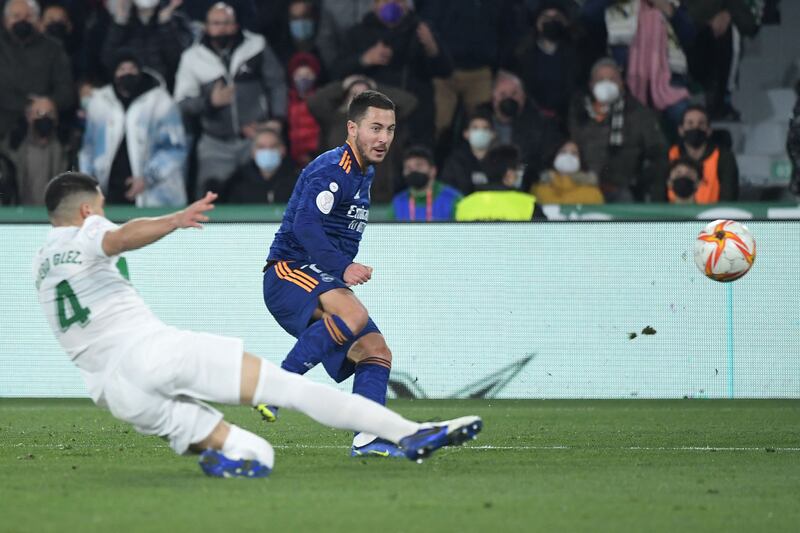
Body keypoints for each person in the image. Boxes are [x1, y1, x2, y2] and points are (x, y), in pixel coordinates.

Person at [33, 171, 483, 477]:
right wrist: (175, 219)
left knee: (254, 453)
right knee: (291, 390)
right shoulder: (89, 230)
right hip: (153, 353)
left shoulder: (40, 263)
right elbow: (118, 237)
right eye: (103, 206)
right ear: (88, 211)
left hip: (116, 393)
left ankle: (227, 458)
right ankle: (407, 433)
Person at [259, 90, 410, 458]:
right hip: (287, 272)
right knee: (353, 315)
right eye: (375, 128)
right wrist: (343, 267)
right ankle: (278, 387)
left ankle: (369, 437)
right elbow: (305, 225)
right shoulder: (335, 168)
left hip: (321, 276)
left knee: (376, 352)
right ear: (351, 128)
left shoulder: (363, 173)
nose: (383, 138)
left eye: (389, 129)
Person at [173, 2, 287, 197]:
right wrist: (210, 102)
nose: (221, 28)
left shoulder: (256, 46)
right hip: (214, 143)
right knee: (208, 199)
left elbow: (277, 84)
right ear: (206, 26)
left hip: (253, 139)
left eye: (227, 23)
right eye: (216, 23)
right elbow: (182, 104)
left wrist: (276, 120)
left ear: (235, 25)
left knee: (256, 196)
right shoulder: (192, 58)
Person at [79, 49, 187, 207]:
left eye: (132, 68)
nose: (127, 73)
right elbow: (88, 147)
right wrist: (89, 185)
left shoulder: (161, 102)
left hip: (154, 195)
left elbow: (176, 148)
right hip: (109, 192)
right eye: (122, 69)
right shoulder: (100, 102)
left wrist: (148, 178)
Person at [567, 57, 668, 202]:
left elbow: (657, 152)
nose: (606, 84)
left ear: (621, 83)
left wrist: (638, 180)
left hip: (623, 188)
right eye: (600, 79)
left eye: (612, 79)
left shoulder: (639, 113)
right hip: (581, 186)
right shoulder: (578, 112)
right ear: (591, 84)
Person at [0, 0, 74, 140]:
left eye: (28, 16)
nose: (22, 21)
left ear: (38, 20)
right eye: (16, 16)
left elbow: (66, 91)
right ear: (5, 20)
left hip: (42, 133)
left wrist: (49, 103)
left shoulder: (54, 48)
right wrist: (29, 105)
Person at [101, 0, 194, 93]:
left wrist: (165, 25)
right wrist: (119, 23)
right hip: (127, 90)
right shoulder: (120, 21)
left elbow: (176, 61)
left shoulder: (176, 21)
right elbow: (108, 60)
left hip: (162, 91)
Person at [661, 104, 739, 203]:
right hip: (672, 216)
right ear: (680, 130)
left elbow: (729, 197)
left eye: (701, 123)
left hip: (713, 216)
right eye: (690, 123)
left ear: (709, 130)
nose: (695, 127)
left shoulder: (724, 157)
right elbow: (659, 195)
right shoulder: (668, 155)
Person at [2, 96, 70, 206]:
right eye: (40, 113)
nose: (45, 118)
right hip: (21, 217)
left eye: (50, 113)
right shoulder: (13, 149)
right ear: (29, 117)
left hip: (57, 216)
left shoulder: (66, 149)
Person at [455, 144, 541, 221]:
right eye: (518, 169)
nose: (520, 174)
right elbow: (545, 236)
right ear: (509, 174)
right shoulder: (528, 205)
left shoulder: (464, 205)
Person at [221, 127, 297, 204]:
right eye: (261, 147)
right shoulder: (238, 182)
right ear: (252, 152)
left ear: (283, 150)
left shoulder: (299, 181)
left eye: (273, 146)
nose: (267, 151)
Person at [391, 145, 462, 221]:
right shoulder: (398, 202)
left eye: (419, 166)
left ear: (433, 171)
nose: (413, 171)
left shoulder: (453, 199)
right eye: (408, 168)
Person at [440, 109, 495, 195]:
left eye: (485, 128)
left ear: (492, 134)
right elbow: (448, 190)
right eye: (475, 128)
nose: (480, 132)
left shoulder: (500, 160)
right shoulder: (454, 161)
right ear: (466, 134)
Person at [531, 140, 604, 205]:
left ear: (580, 159)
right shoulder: (539, 188)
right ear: (554, 156)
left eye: (574, 153)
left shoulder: (592, 193)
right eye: (563, 152)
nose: (568, 156)